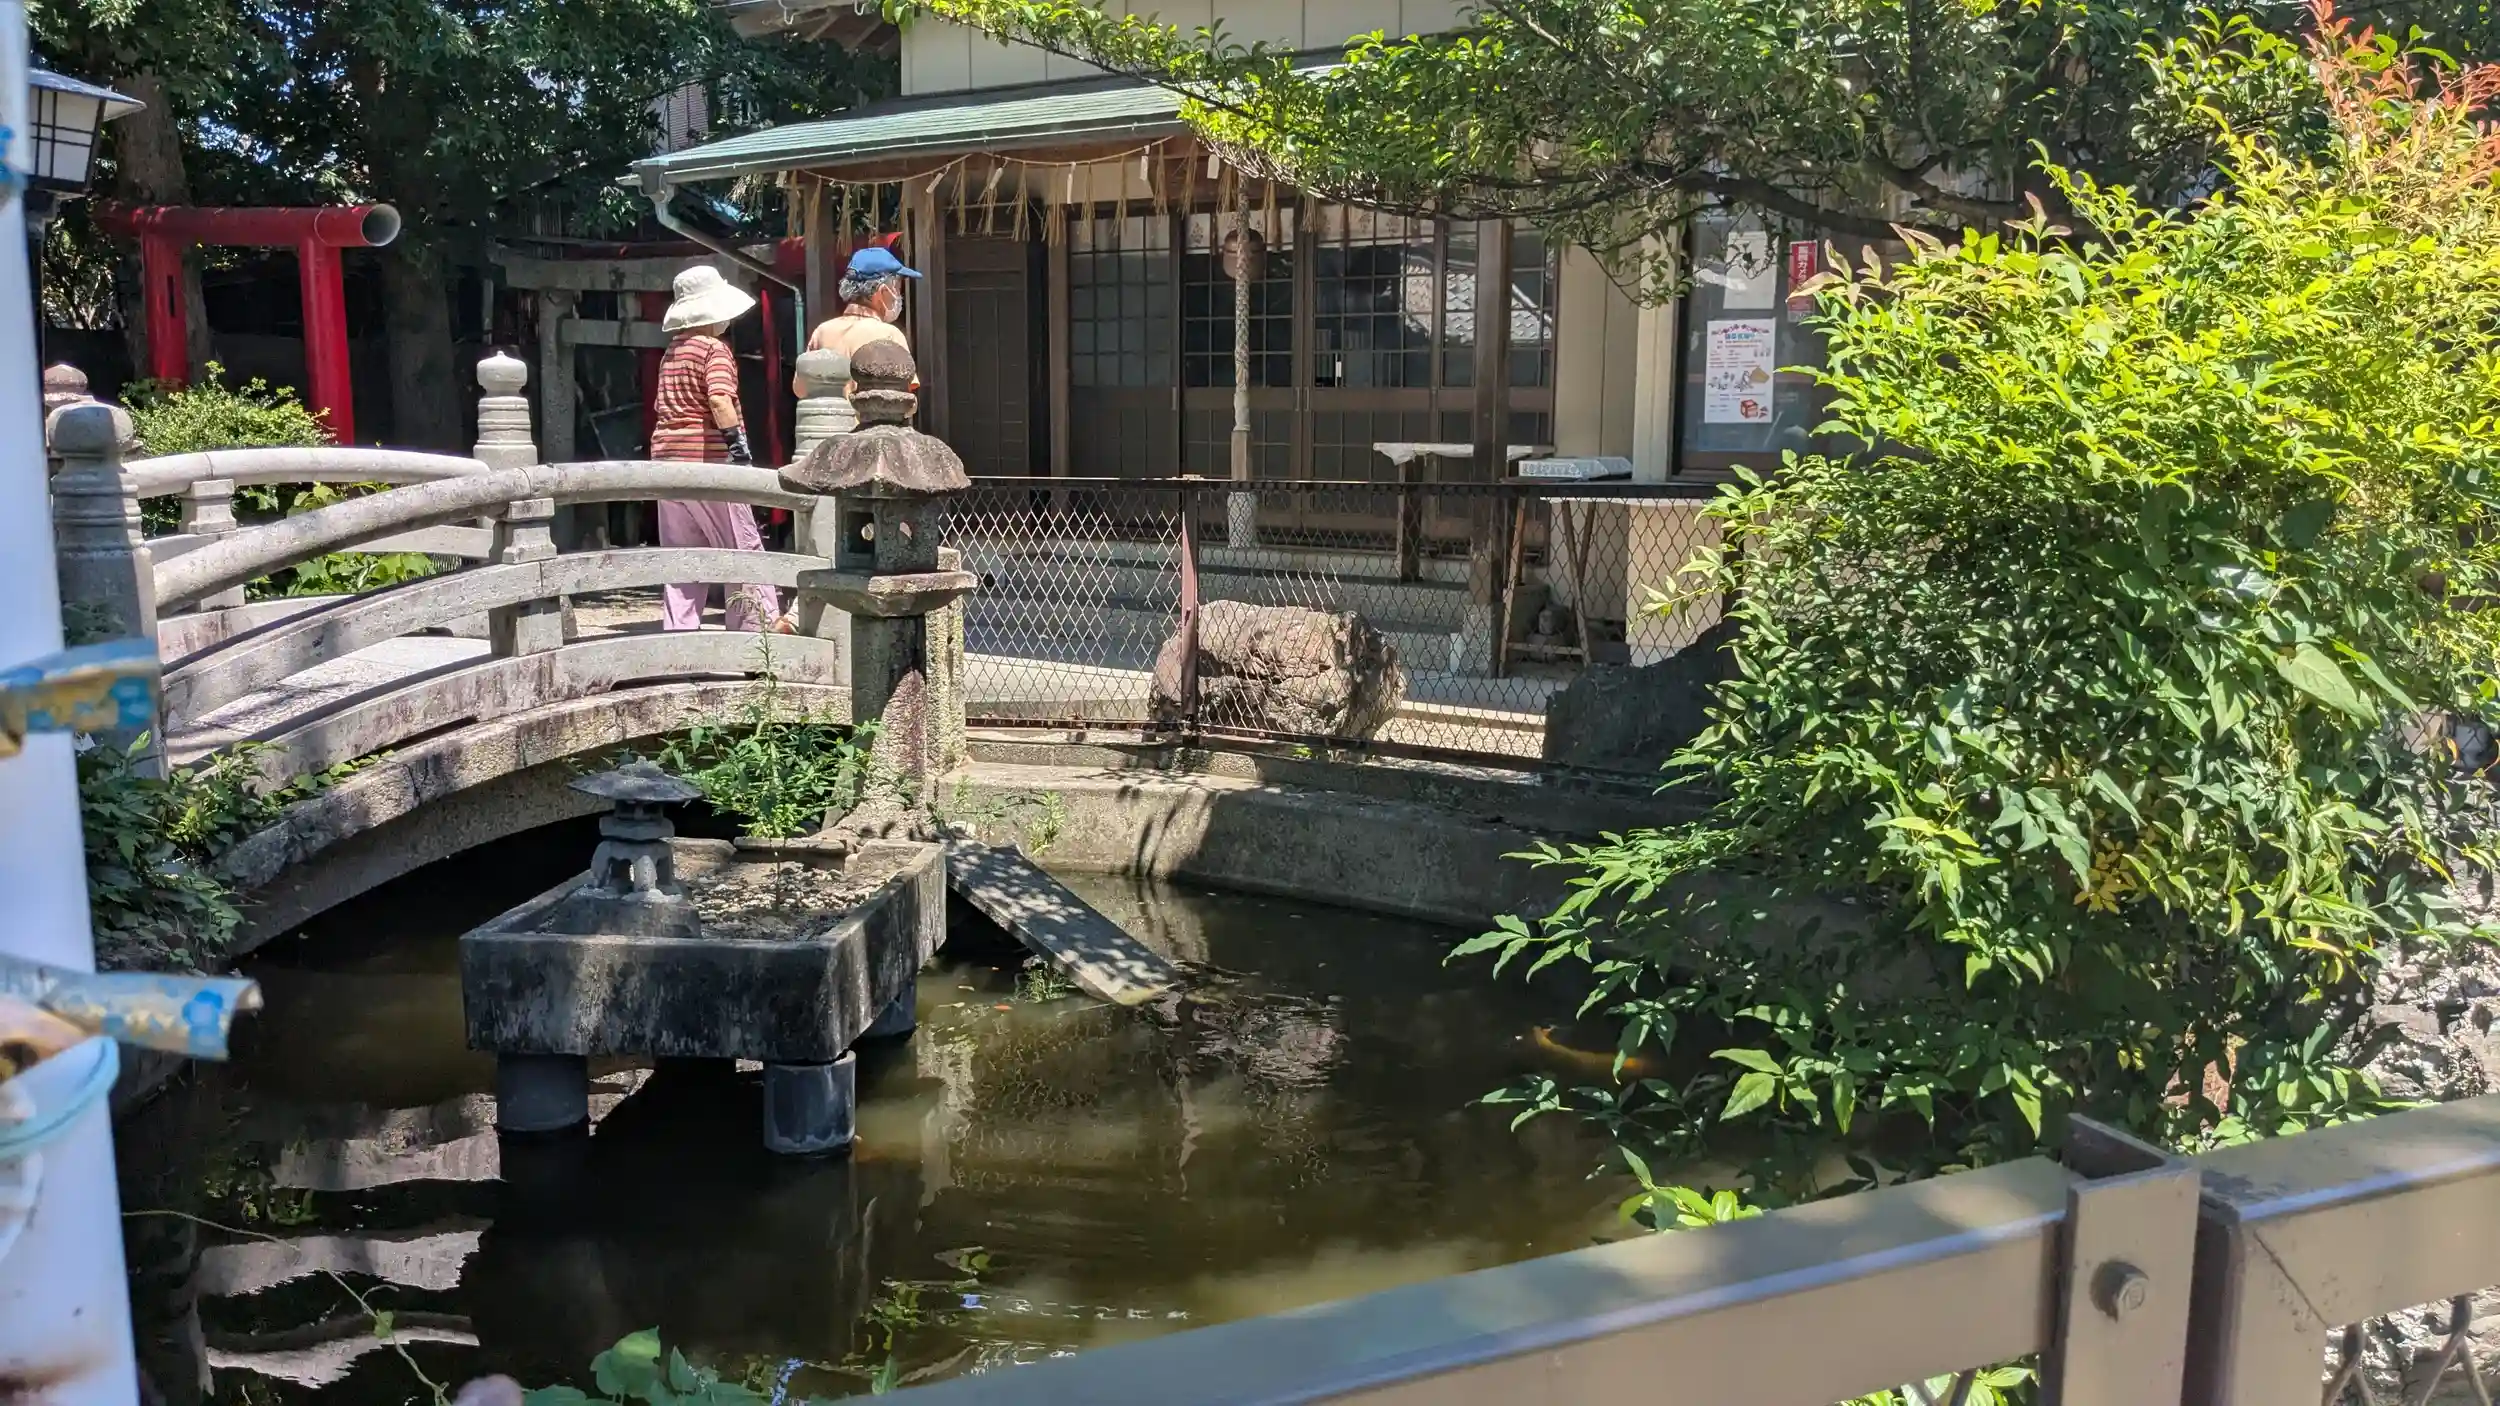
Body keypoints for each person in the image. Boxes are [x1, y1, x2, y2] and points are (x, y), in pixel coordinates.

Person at [650, 263, 789, 634]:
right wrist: (738, 448)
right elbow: (719, 399)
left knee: (682, 556)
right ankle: (757, 631)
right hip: (707, 460)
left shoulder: (672, 352)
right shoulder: (714, 350)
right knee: (741, 547)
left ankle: (679, 636)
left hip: (665, 462)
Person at [793, 243, 919, 398]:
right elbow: (904, 399)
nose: (899, 294)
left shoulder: (822, 332)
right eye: (897, 287)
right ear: (882, 291)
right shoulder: (890, 335)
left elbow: (800, 389)